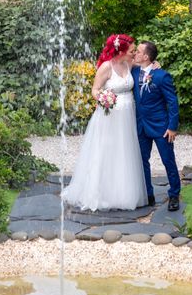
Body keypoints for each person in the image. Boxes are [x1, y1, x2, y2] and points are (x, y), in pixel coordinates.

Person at [61, 34, 148, 211]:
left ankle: (123, 193)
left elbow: (147, 65)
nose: (133, 53)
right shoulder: (106, 67)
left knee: (124, 151)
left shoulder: (128, 63)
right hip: (109, 116)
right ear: (121, 51)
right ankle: (101, 193)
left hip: (127, 114)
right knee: (106, 150)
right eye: (131, 50)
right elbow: (95, 89)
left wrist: (155, 66)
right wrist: (103, 98)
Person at [131, 41, 182, 211]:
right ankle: (148, 194)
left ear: (146, 56)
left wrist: (172, 127)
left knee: (168, 160)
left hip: (161, 127)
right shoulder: (133, 71)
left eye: (138, 52)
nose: (135, 54)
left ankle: (174, 194)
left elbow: (172, 102)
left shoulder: (161, 76)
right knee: (142, 161)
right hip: (141, 126)